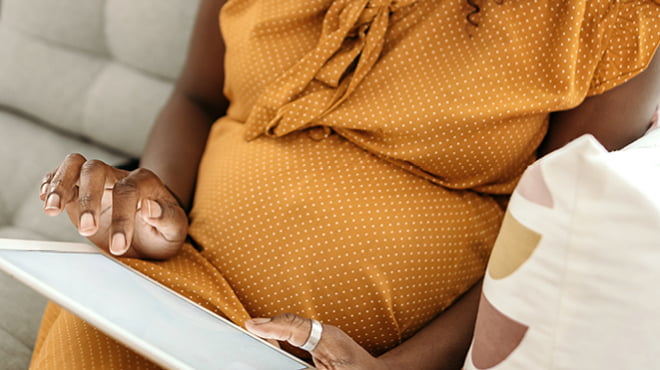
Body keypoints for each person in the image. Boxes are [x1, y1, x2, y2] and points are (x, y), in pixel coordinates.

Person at [33, 0, 660, 369]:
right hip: (168, 291)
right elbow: (197, 96)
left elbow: (555, 238)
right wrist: (155, 205)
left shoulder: (611, 21)